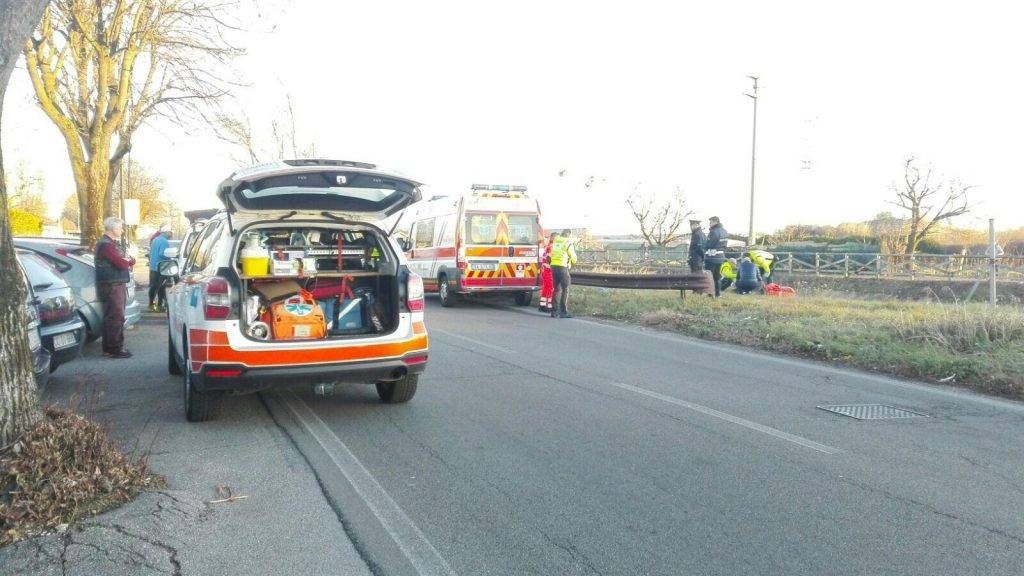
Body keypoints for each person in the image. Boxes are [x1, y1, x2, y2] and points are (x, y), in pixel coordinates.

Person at [95, 217, 136, 358]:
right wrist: (128, 261)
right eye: (120, 228)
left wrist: (128, 261)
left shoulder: (109, 244)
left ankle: (109, 347)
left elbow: (126, 260)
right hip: (112, 284)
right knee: (116, 316)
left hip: (112, 283)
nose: (122, 230)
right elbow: (122, 263)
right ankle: (115, 348)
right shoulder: (107, 245)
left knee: (112, 316)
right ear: (112, 229)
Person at [549, 229, 577, 318]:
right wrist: (572, 262)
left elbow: (550, 255)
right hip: (562, 267)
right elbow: (574, 258)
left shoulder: (555, 242)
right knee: (565, 289)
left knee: (556, 289)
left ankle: (554, 311)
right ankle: (563, 311)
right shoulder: (567, 243)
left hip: (553, 267)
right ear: (568, 235)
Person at [148, 224, 172, 312]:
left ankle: (151, 303)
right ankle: (160, 305)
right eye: (170, 232)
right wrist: (171, 257)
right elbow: (162, 253)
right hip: (161, 267)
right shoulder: (164, 241)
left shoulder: (155, 240)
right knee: (161, 287)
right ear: (166, 232)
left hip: (153, 267)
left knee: (153, 286)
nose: (171, 234)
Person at [704, 216, 728, 297]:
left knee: (709, 276)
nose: (709, 224)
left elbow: (708, 244)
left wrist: (705, 245)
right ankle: (718, 293)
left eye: (710, 222)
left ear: (715, 222)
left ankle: (710, 293)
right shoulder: (725, 231)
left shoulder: (713, 232)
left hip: (711, 257)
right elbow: (725, 245)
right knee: (717, 276)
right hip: (720, 257)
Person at [538, 235, 554, 313]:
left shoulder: (547, 247)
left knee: (545, 288)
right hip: (548, 270)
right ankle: (549, 306)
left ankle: (542, 305)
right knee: (550, 289)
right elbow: (549, 259)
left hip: (545, 270)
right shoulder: (551, 247)